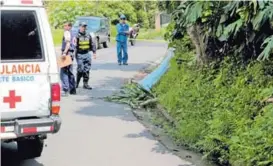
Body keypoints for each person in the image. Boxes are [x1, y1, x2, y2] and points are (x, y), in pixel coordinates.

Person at [74, 22, 96, 90]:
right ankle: (76, 83)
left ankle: (85, 84)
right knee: (80, 69)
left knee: (87, 69)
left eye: (85, 27)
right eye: (83, 26)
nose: (84, 28)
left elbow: (92, 43)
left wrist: (94, 52)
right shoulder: (76, 35)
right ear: (80, 27)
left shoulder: (88, 35)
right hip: (79, 54)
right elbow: (74, 45)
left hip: (87, 54)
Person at [60, 22, 77, 96]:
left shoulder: (67, 32)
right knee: (70, 72)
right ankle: (72, 89)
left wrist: (64, 53)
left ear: (69, 26)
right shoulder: (74, 33)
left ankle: (66, 89)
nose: (64, 27)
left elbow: (68, 43)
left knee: (63, 71)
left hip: (67, 53)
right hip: (71, 53)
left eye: (65, 26)